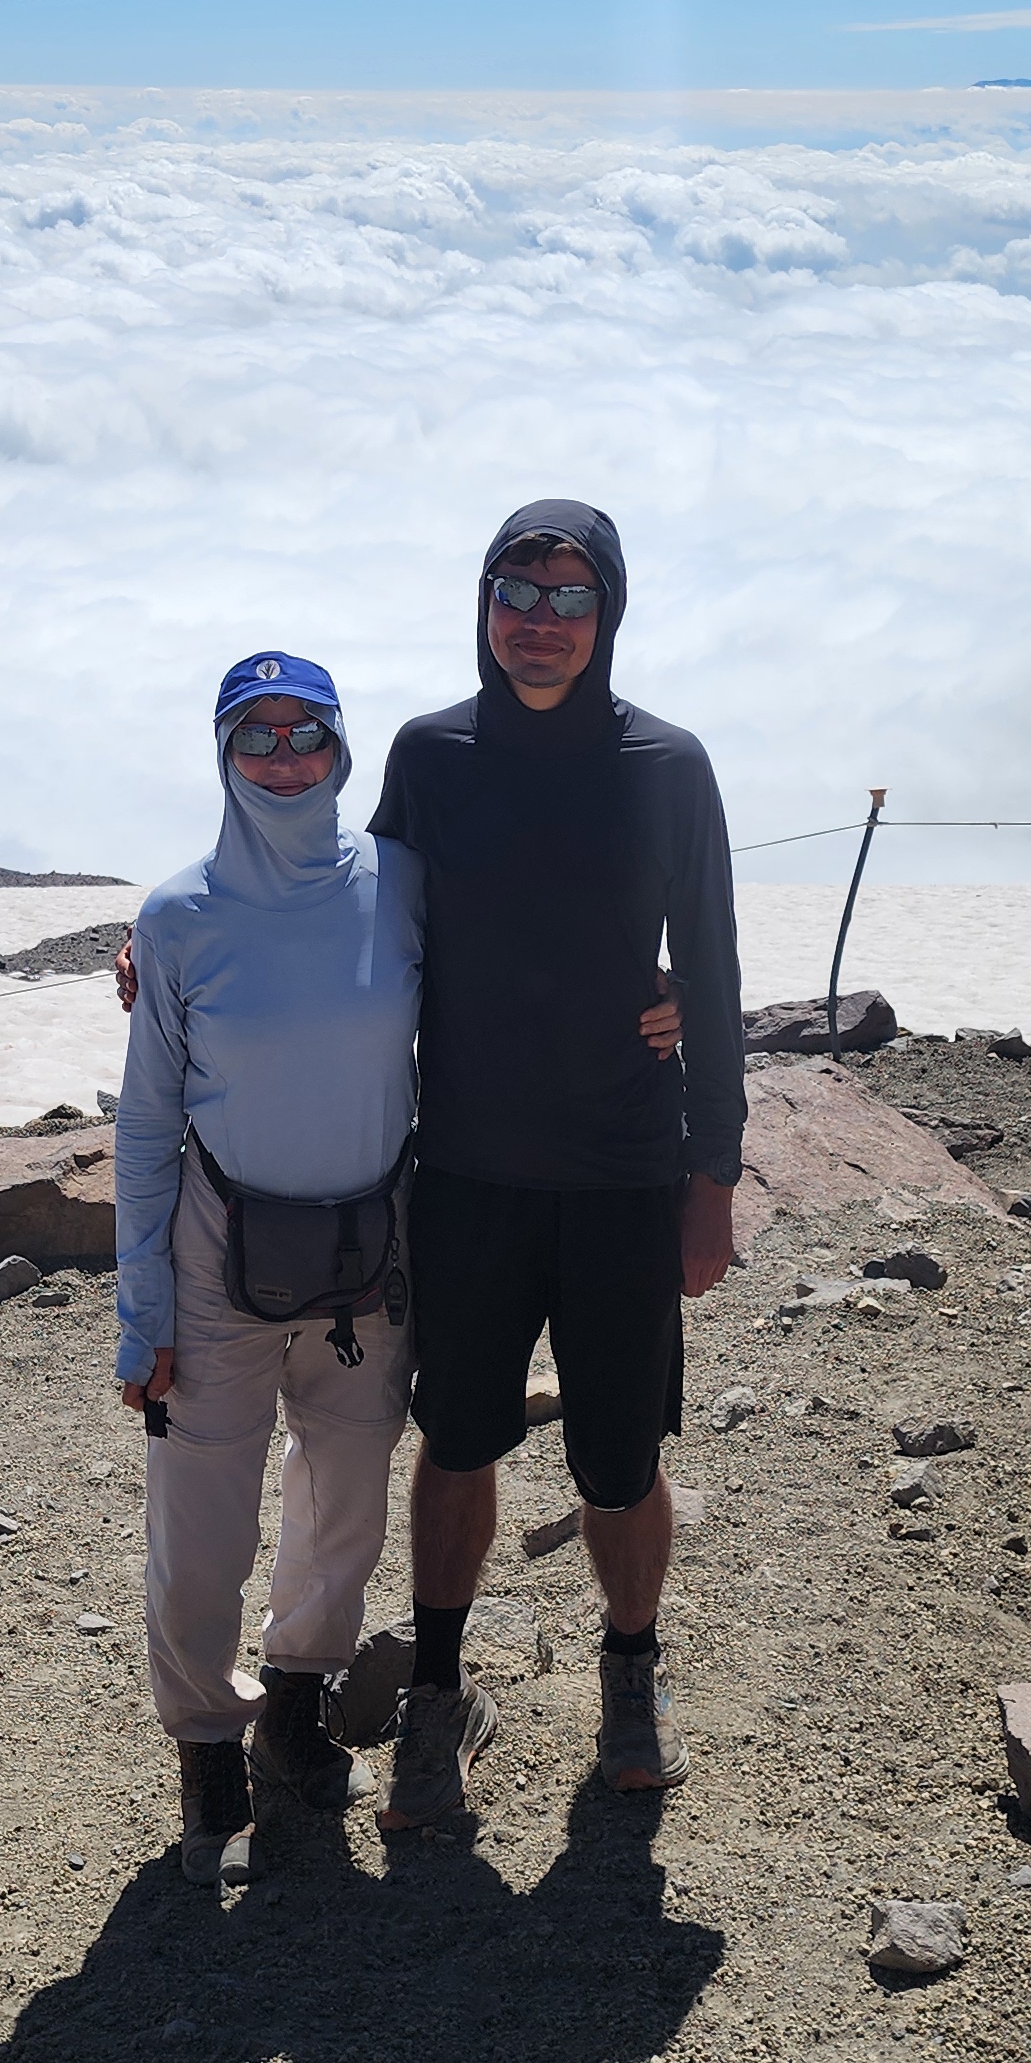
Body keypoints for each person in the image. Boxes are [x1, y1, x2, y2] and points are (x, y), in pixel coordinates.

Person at [369, 498, 743, 1830]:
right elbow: (364, 923)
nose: (539, 624)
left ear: (609, 614)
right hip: (469, 1171)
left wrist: (716, 1173)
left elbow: (710, 955)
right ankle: (437, 1697)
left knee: (620, 1458)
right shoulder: (431, 755)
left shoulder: (666, 764)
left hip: (624, 1174)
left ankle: (630, 1680)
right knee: (457, 1438)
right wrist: (175, 946)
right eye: (516, 596)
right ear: (483, 608)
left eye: (568, 600)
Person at [114, 653, 423, 1888]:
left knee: (345, 1504)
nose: (285, 756)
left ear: (343, 748)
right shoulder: (178, 917)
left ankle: (298, 1699)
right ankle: (205, 1743)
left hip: (371, 1251)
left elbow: (495, 1005)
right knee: (199, 1530)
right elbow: (145, 1124)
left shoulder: (404, 885)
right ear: (224, 757)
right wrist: (143, 1311)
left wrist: (653, 999)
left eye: (307, 732)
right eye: (257, 736)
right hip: (215, 1256)